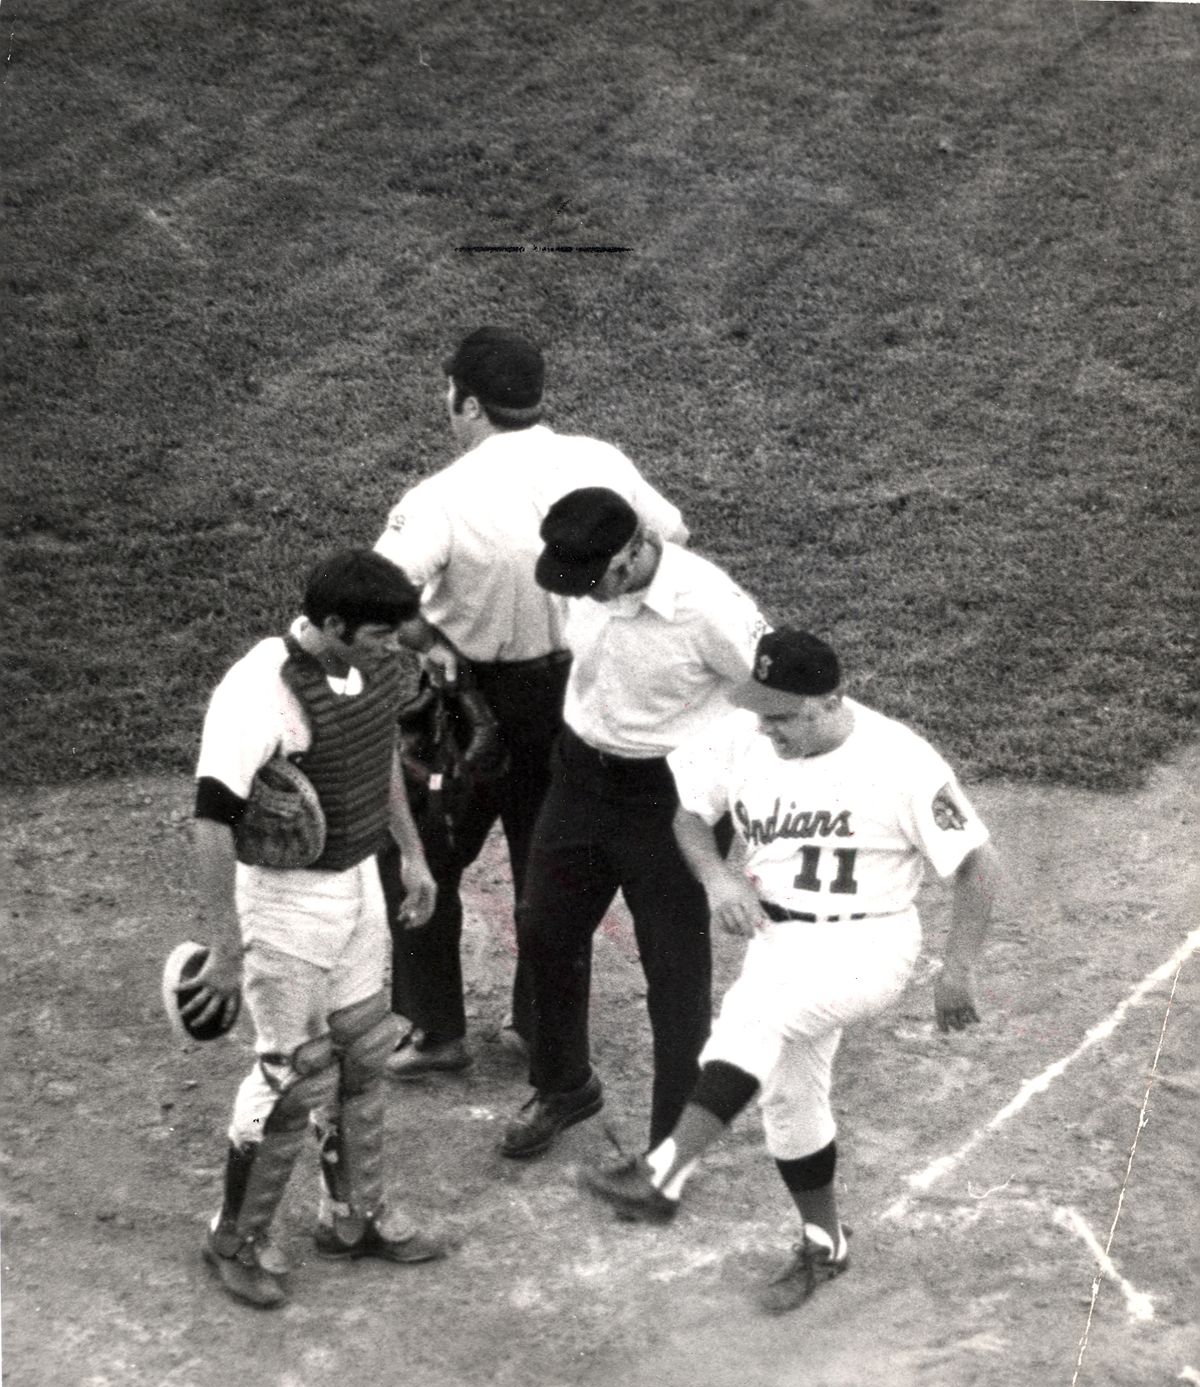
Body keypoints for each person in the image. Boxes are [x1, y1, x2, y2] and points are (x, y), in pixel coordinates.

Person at [582, 628, 1000, 1314]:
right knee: (788, 1098)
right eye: (761, 711)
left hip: (869, 946)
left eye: (783, 715)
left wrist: (958, 968)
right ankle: (824, 1239)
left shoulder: (902, 761)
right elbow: (690, 817)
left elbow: (980, 864)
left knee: (759, 1019)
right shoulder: (745, 734)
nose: (767, 728)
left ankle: (664, 1174)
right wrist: (718, 879)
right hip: (779, 943)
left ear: (832, 699)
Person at [374, 326, 686, 1079]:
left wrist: (429, 643)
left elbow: (380, 597)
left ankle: (436, 1028)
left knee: (416, 855)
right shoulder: (599, 461)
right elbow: (670, 536)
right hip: (578, 701)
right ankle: (540, 1029)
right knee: (552, 870)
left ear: (470, 404)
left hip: (468, 706)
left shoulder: (441, 497)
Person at [188, 549, 444, 1310]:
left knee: (364, 1053)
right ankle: (232, 1238)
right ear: (331, 625)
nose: (392, 647)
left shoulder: (371, 665)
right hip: (284, 904)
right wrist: (226, 948)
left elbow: (377, 758)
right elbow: (209, 822)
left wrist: (415, 855)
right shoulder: (258, 692)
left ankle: (353, 1215)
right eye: (377, 636)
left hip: (358, 881)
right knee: (291, 1077)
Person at [499, 486, 769, 1159]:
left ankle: (671, 1148)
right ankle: (564, 1086)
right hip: (581, 778)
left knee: (674, 974)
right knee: (544, 930)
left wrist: (736, 798)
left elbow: (765, 701)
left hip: (670, 800)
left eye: (597, 581)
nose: (585, 594)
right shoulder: (582, 579)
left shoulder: (709, 606)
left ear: (636, 549)